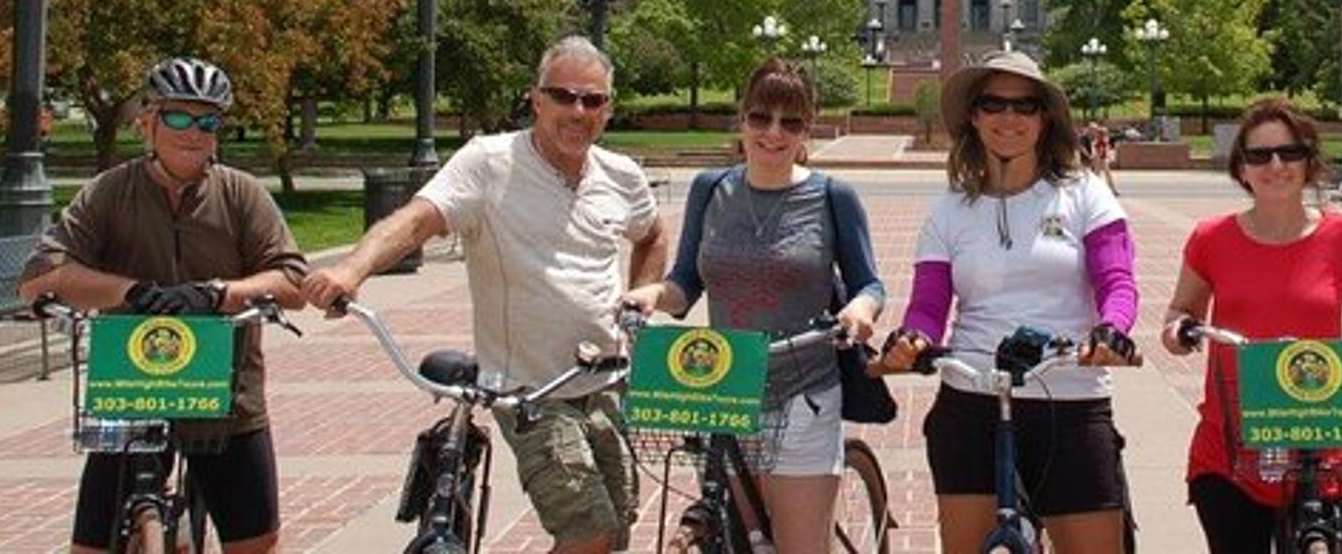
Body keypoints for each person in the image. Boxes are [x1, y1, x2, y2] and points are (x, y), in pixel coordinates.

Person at [303, 36, 666, 554]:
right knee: (588, 532)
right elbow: (416, 221)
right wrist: (351, 270)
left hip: (607, 380)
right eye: (563, 96)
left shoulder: (620, 175)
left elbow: (653, 233)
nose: (578, 110)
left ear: (608, 108)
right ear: (536, 99)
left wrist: (643, 292)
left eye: (593, 100)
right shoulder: (490, 162)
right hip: (530, 391)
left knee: (617, 528)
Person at [18, 57, 308, 554]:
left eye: (209, 121)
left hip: (225, 394)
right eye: (178, 117)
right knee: (89, 545)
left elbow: (293, 281)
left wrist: (221, 293)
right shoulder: (111, 192)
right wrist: (128, 291)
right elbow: (39, 276)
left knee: (256, 543)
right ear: (146, 121)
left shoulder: (240, 195)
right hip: (129, 388)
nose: (194, 132)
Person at [876, 51, 1141, 554]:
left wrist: (1112, 329)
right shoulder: (950, 209)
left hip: (1069, 395)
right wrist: (914, 339)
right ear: (973, 117)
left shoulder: (1085, 193)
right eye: (993, 104)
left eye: (1025, 107)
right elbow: (929, 305)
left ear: (1045, 119)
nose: (1009, 119)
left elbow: (1118, 282)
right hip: (972, 397)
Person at [621, 58, 886, 554]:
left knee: (799, 547)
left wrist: (860, 311)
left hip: (802, 388)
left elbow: (869, 283)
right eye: (761, 117)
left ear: (809, 128)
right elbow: (685, 283)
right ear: (742, 119)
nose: (773, 133)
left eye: (791, 122)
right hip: (724, 389)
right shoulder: (710, 189)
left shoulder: (832, 196)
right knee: (742, 543)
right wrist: (651, 294)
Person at [1159, 97, 1342, 553]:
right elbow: (1179, 314)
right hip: (1232, 446)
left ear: (1308, 162)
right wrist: (1179, 331)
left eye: (1289, 153)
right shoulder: (1211, 238)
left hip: (1322, 440)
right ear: (1242, 169)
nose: (1276, 165)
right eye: (1259, 155)